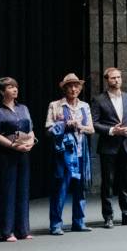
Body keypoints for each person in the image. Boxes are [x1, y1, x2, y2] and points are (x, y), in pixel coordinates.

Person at [91, 67, 127, 227]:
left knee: (126, 181)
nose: (117, 80)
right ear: (107, 80)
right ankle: (108, 217)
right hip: (108, 146)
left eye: (119, 77)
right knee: (108, 182)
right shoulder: (99, 99)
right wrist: (112, 130)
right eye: (113, 78)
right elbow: (94, 123)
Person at [0, 77, 35, 242]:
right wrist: (12, 146)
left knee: (23, 190)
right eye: (10, 87)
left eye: (15, 86)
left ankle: (23, 230)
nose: (15, 89)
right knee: (7, 191)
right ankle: (6, 231)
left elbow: (31, 129)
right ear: (2, 92)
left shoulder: (23, 108)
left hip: (24, 153)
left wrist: (30, 142)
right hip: (6, 155)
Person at [47, 74, 95, 234]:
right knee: (60, 189)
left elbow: (91, 129)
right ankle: (56, 224)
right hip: (64, 154)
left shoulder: (84, 106)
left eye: (76, 86)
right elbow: (48, 129)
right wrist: (64, 124)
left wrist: (80, 126)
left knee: (80, 189)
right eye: (70, 86)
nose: (74, 89)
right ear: (65, 88)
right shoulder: (55, 105)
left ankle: (79, 222)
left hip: (81, 152)